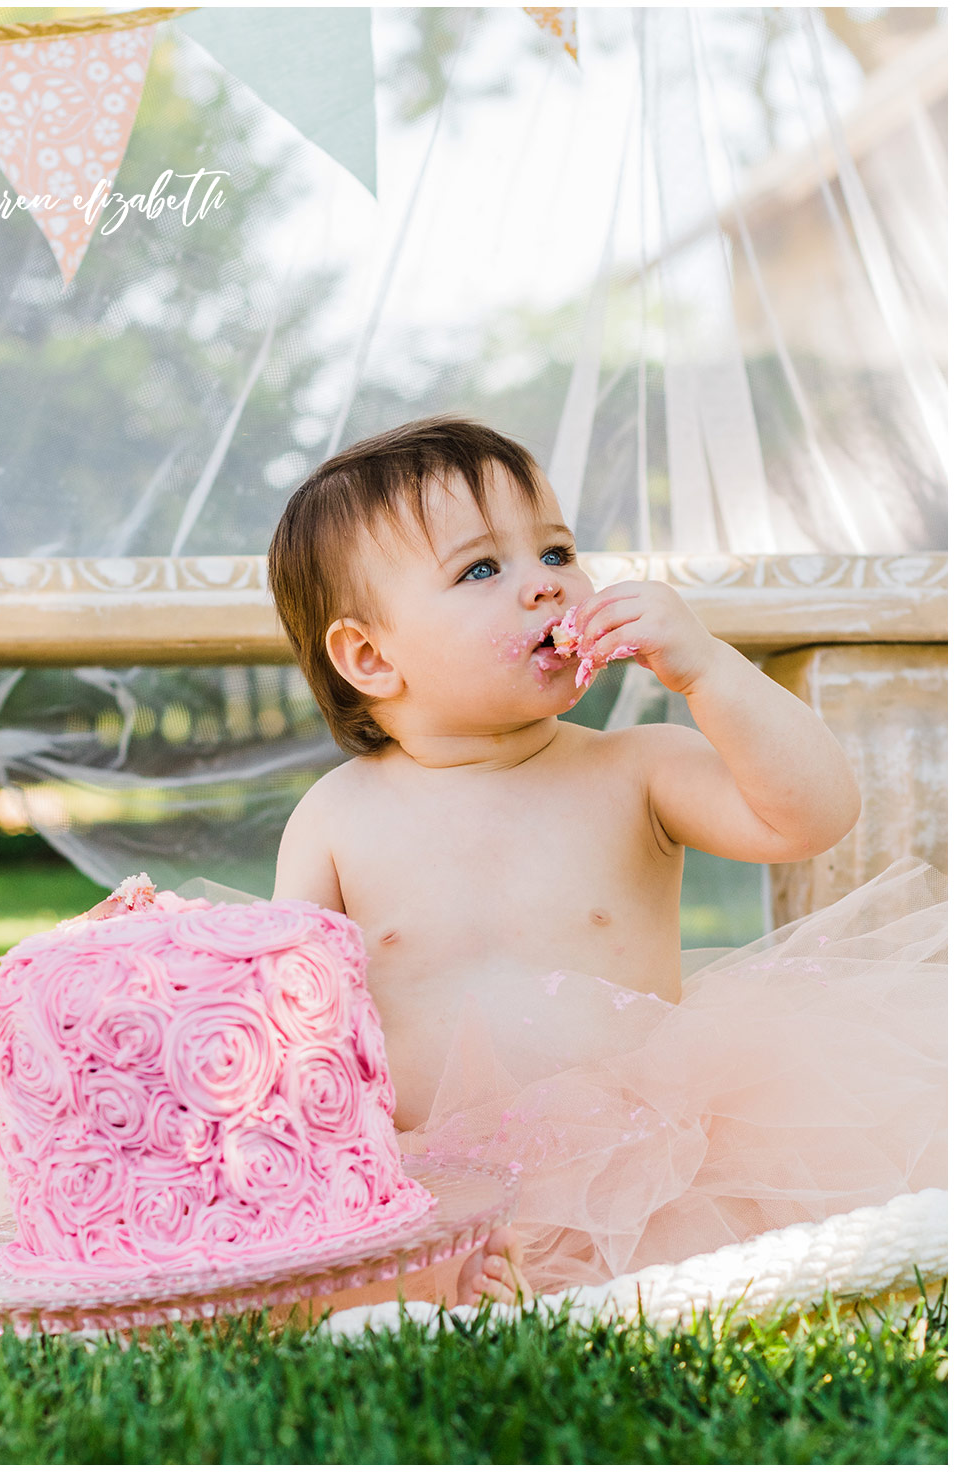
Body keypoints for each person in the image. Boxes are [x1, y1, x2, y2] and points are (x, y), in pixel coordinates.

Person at [266, 416, 945, 1309]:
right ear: (369, 655)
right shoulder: (336, 816)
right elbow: (289, 1019)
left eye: (556, 552)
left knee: (724, 1281)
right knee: (370, 1294)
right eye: (482, 569)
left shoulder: (636, 768)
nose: (547, 588)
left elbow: (814, 815)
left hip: (649, 1164)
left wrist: (708, 669)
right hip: (435, 1183)